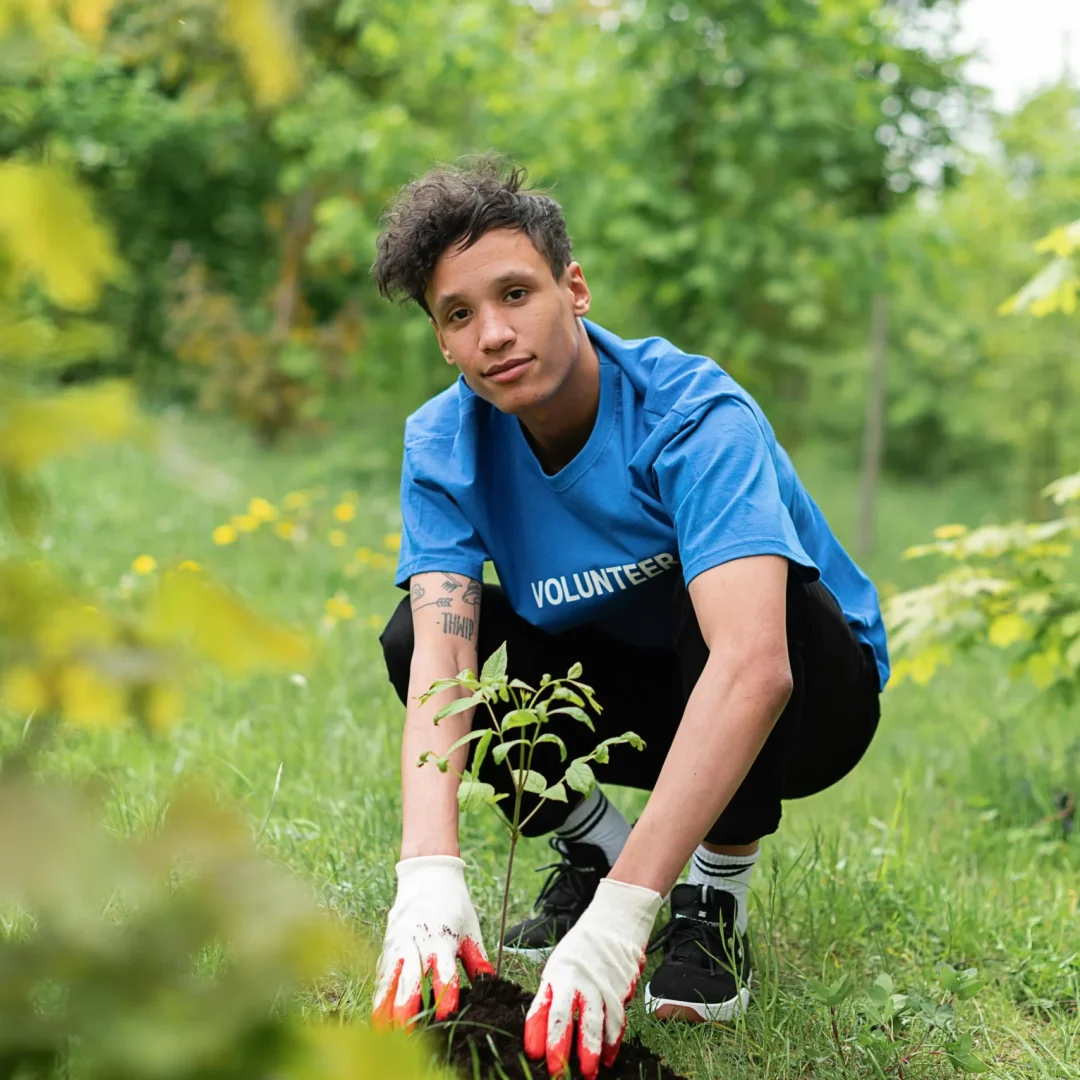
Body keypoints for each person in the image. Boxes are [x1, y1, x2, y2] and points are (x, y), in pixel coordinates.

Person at [370, 156, 887, 1079]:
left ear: (573, 289)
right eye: (458, 314)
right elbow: (441, 668)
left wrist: (623, 917)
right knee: (416, 635)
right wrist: (428, 874)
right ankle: (591, 840)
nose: (494, 333)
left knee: (745, 620)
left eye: (516, 293)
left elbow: (754, 667)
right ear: (442, 342)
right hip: (615, 678)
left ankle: (709, 897)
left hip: (805, 699)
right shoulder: (442, 443)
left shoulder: (691, 412)